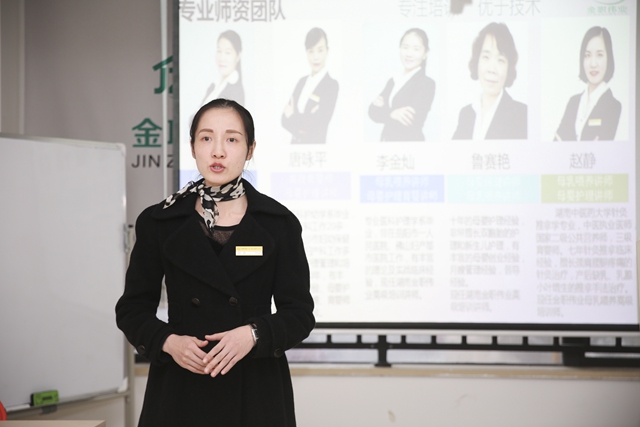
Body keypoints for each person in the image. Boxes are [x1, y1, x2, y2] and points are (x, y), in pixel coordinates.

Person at [116, 99, 315, 427]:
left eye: (232, 139)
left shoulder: (278, 223)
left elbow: (299, 314)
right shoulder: (160, 221)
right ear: (193, 147)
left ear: (250, 150)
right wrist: (169, 342)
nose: (218, 151)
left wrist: (253, 334)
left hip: (255, 388)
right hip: (181, 386)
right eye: (206, 138)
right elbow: (132, 309)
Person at [452, 22, 527, 140]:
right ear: (477, 61)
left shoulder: (521, 114)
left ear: (509, 67)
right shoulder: (466, 114)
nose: (492, 69)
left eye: (500, 60)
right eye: (486, 57)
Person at [368, 28, 436, 141]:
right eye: (405, 47)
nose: (409, 54)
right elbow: (372, 112)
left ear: (425, 53)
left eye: (416, 49)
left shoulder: (426, 84)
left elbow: (411, 120)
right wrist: (392, 113)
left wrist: (384, 111)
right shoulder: (393, 81)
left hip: (410, 145)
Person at [554, 26, 621, 141]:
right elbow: (557, 141)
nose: (593, 64)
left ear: (608, 58)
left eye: (599, 55)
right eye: (587, 55)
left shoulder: (613, 106)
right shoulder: (573, 102)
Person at [282, 27, 339, 144]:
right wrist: (307, 119)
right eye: (311, 51)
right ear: (306, 52)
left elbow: (319, 124)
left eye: (320, 50)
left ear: (327, 51)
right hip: (294, 149)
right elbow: (284, 120)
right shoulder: (302, 82)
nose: (316, 57)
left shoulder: (331, 85)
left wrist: (292, 116)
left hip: (316, 150)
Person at [201, 30, 245, 105]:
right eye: (219, 51)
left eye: (227, 52)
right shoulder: (213, 86)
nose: (222, 58)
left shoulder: (236, 91)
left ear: (238, 56)